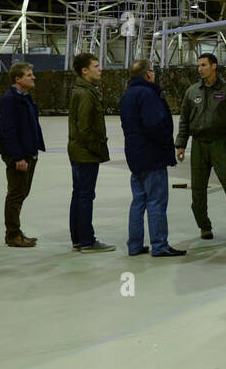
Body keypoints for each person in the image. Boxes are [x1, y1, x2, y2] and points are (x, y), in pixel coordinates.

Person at [176, 52, 226, 242]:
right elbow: (184, 120)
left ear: (214, 66)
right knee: (198, 190)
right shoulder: (192, 92)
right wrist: (180, 144)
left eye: (203, 65)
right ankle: (204, 227)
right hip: (199, 145)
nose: (200, 69)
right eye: (199, 65)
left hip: (220, 143)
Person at [119, 59, 183, 257]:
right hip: (152, 155)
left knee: (138, 201)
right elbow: (154, 124)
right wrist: (166, 144)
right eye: (153, 71)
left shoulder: (127, 95)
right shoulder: (148, 94)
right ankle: (160, 245)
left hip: (135, 156)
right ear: (148, 74)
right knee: (156, 201)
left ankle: (135, 245)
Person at [67, 52, 114, 253]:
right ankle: (87, 240)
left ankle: (79, 239)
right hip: (85, 152)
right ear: (85, 70)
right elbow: (85, 128)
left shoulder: (82, 90)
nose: (100, 69)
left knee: (79, 195)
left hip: (79, 151)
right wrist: (98, 150)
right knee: (85, 196)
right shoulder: (86, 93)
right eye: (96, 65)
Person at [0, 62, 44, 247]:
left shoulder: (25, 97)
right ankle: (13, 235)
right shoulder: (9, 100)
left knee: (22, 193)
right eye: (29, 74)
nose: (33, 77)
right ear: (18, 79)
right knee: (15, 195)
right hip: (20, 156)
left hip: (29, 153)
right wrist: (17, 157)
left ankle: (15, 232)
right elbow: (8, 131)